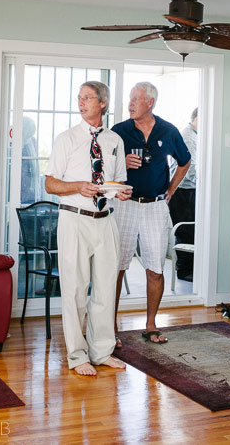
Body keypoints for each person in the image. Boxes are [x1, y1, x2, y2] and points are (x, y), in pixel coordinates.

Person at [44, 81, 131, 376]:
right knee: (75, 290)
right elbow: (50, 183)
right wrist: (77, 186)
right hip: (74, 219)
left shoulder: (115, 141)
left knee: (106, 288)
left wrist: (120, 192)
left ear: (102, 103)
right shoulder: (66, 139)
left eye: (87, 98)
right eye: (78, 98)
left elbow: (116, 181)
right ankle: (78, 355)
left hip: (106, 221)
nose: (81, 103)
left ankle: (102, 350)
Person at [112, 82, 191, 345]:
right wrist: (120, 163)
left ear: (150, 103)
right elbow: (100, 166)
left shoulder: (168, 131)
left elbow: (185, 160)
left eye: (136, 99)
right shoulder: (119, 131)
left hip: (156, 206)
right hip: (124, 203)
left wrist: (170, 189)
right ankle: (109, 327)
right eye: (130, 99)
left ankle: (150, 325)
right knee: (117, 266)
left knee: (155, 267)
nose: (130, 103)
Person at [169, 107, 198, 282]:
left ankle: (188, 269)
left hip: (187, 190)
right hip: (182, 191)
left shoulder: (195, 135)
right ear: (196, 118)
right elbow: (190, 170)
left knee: (190, 231)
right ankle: (184, 271)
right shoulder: (188, 137)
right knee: (184, 231)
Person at [21, 116, 39, 204]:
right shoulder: (14, 142)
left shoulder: (33, 141)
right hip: (19, 181)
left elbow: (35, 163)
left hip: (30, 183)